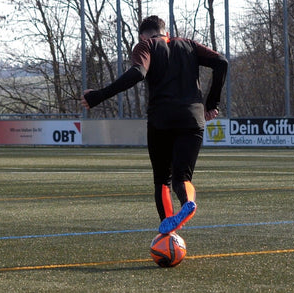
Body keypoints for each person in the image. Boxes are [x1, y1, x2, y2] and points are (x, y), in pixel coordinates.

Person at [81, 15, 228, 234]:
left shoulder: (146, 45)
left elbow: (138, 73)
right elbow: (222, 62)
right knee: (182, 178)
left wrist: (99, 96)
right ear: (165, 32)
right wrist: (212, 102)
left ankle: (168, 233)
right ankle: (188, 202)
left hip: (162, 120)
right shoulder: (188, 44)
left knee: (162, 180)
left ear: (142, 35)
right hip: (193, 119)